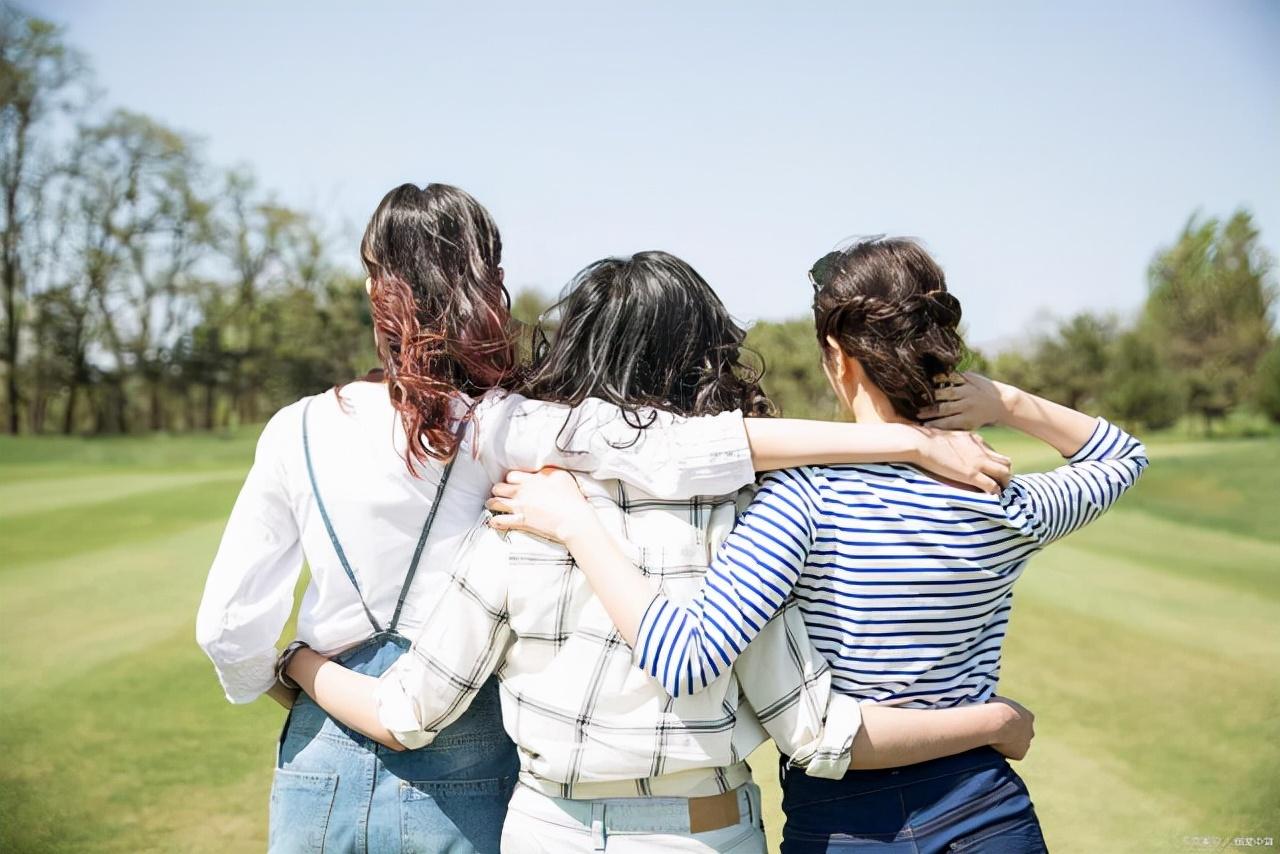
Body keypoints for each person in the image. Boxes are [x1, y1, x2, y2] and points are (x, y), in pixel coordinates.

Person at [284, 250, 1037, 854]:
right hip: (708, 832)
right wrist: (992, 721)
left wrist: (297, 664)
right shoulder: (751, 518)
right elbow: (816, 734)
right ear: (708, 355)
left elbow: (407, 711)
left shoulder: (521, 509)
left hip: (549, 833)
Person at [489, 237, 1149, 853]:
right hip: (988, 812)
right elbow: (1120, 458)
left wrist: (580, 527)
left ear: (838, 357)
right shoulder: (1000, 498)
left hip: (848, 827)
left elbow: (684, 657)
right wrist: (1003, 403)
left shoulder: (799, 499)